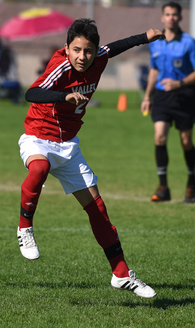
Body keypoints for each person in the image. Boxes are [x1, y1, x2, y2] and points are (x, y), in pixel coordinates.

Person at [16, 18, 163, 299]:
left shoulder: (99, 57)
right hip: (38, 137)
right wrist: (64, 96)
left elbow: (118, 46)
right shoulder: (60, 65)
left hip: (68, 146)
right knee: (40, 168)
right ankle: (25, 227)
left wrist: (146, 36)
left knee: (98, 209)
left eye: (88, 51)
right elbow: (30, 92)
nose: (82, 57)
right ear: (67, 48)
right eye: (76, 50)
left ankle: (121, 274)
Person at [141, 2, 195, 204]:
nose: (171, 18)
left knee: (186, 142)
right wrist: (147, 96)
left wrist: (180, 82)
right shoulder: (155, 42)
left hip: (184, 96)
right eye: (168, 14)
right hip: (162, 97)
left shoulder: (189, 43)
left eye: (175, 15)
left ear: (180, 18)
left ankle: (192, 183)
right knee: (160, 137)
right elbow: (154, 70)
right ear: (162, 17)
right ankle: (163, 187)